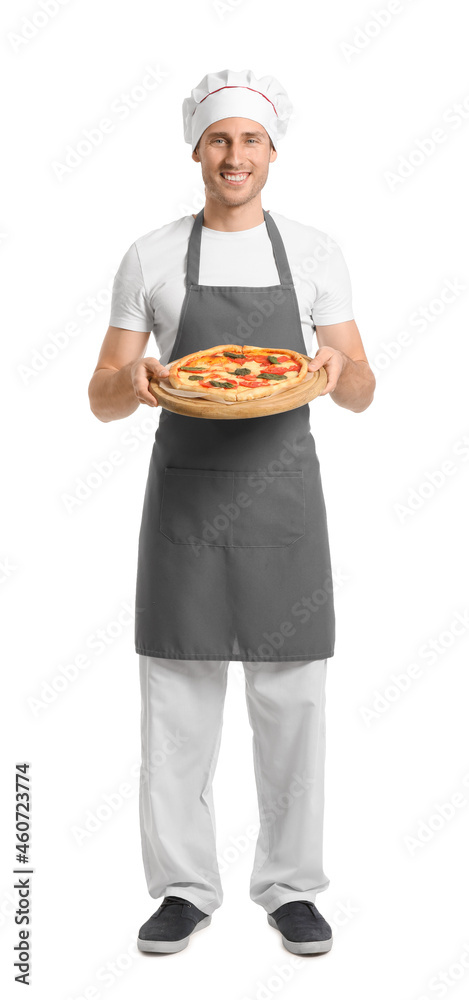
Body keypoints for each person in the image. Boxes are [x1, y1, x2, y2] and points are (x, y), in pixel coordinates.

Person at [88, 68, 375, 956]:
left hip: (284, 504)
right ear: (195, 150)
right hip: (185, 504)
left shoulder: (318, 252)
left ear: (272, 151)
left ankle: (291, 888)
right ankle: (181, 889)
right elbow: (100, 394)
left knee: (293, 702)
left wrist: (335, 373)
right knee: (176, 704)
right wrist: (129, 382)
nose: (233, 156)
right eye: (219, 140)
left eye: (249, 140)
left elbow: (361, 388)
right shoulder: (151, 255)